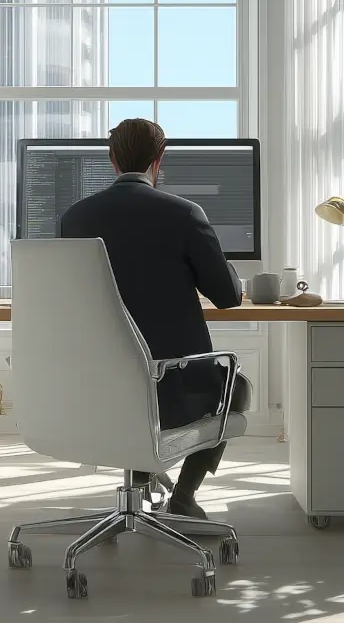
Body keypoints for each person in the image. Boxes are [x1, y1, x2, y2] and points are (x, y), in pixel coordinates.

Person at [58, 117, 249, 520]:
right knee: (237, 389)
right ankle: (183, 495)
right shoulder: (184, 214)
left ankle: (141, 484)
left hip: (92, 390)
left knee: (136, 391)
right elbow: (229, 297)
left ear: (111, 159)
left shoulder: (73, 219)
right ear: (159, 159)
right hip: (171, 391)